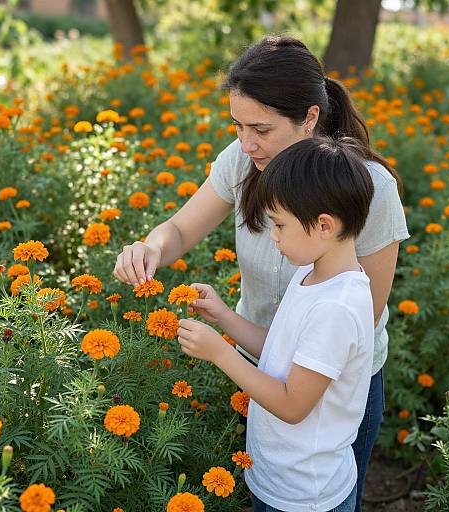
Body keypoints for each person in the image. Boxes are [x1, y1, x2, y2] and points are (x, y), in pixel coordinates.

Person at [113, 36, 410, 510]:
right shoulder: (244, 159)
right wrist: (150, 247)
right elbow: (179, 230)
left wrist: (223, 350)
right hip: (262, 358)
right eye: (236, 125)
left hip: (329, 384)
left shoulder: (366, 187)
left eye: (260, 129)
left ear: (309, 116)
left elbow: (350, 325)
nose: (245, 142)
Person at [177, 136, 376, 512]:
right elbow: (282, 351)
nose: (273, 235)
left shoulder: (337, 308)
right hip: (277, 477)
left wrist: (220, 353)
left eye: (280, 225)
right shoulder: (312, 274)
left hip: (307, 495)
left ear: (323, 226)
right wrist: (224, 317)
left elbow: (292, 404)